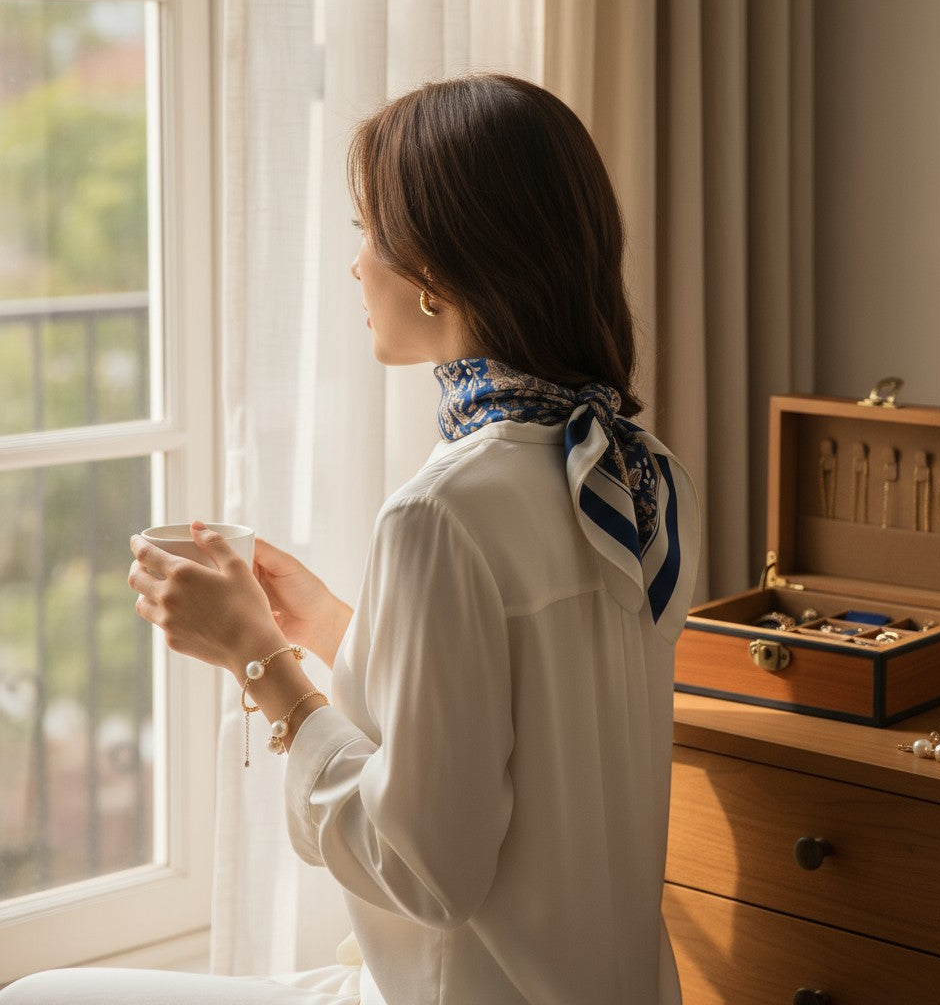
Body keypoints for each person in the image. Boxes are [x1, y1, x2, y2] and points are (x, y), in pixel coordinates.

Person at [0, 73, 699, 1005]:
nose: (355, 263)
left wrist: (260, 661)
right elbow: (538, 708)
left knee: (35, 994)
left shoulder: (441, 512)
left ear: (436, 273)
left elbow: (422, 872)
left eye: (367, 232)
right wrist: (335, 626)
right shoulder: (642, 475)